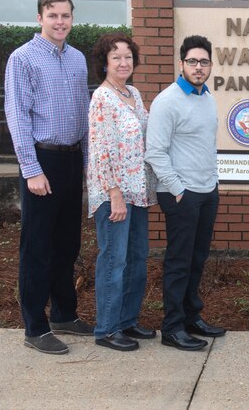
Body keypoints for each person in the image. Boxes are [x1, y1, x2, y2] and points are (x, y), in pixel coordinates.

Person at [4, 0, 93, 354]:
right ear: (40, 18)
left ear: (72, 19)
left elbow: (83, 116)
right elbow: (17, 117)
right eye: (53, 15)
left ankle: (63, 313)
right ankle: (36, 327)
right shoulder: (22, 59)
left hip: (72, 161)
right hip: (43, 162)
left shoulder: (77, 59)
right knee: (37, 248)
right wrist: (31, 169)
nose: (60, 22)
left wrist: (87, 165)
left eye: (65, 16)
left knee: (67, 244)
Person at [145, 35, 226, 351]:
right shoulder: (167, 101)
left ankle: (192, 317)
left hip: (206, 191)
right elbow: (155, 151)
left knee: (197, 258)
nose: (198, 66)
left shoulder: (208, 98)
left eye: (204, 61)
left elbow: (205, 144)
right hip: (180, 193)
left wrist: (213, 182)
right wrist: (177, 189)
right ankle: (172, 327)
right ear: (181, 64)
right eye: (192, 61)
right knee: (179, 261)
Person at [87, 33, 157, 351]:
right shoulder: (103, 98)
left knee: (137, 258)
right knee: (114, 261)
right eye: (116, 57)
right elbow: (100, 149)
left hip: (137, 192)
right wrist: (114, 192)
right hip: (113, 194)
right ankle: (106, 329)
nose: (123, 62)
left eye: (127, 56)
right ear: (105, 62)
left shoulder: (133, 93)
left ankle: (127, 321)